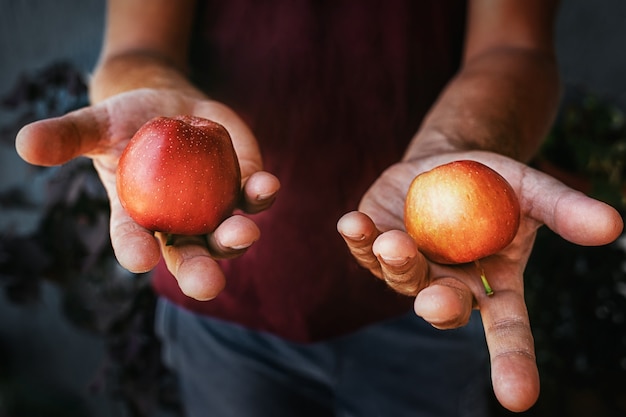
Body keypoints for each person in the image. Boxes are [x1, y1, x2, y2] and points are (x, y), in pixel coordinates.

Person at [15, 0, 624, 416]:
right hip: (226, 306)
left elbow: (516, 44)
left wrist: (454, 147)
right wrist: (144, 97)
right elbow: (135, 44)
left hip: (428, 298)